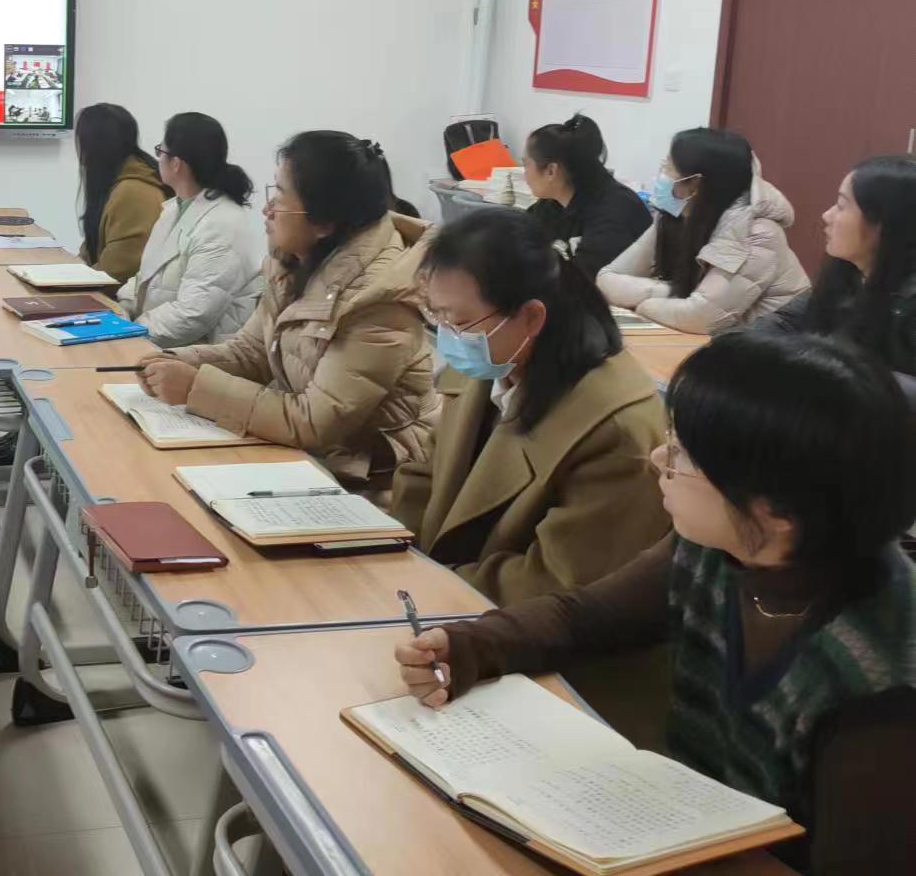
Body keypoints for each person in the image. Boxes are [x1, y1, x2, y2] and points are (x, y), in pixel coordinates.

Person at [394, 331, 916, 875]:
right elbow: (586, 619)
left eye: (684, 455)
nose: (657, 459)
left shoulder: (882, 690)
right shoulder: (727, 548)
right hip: (683, 837)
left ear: (776, 509)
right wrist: (467, 646)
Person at [391, 208, 668, 607]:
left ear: (532, 316)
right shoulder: (489, 363)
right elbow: (424, 478)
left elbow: (557, 581)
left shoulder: (616, 430)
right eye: (438, 317)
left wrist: (429, 587)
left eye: (460, 322)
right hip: (443, 597)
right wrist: (392, 562)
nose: (450, 337)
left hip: (524, 628)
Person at [139, 131, 438, 488]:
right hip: (313, 457)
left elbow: (315, 422)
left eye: (280, 195)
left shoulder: (381, 298)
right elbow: (252, 352)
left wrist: (196, 387)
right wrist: (174, 361)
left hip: (375, 478)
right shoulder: (296, 260)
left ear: (324, 221)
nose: (267, 210)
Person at [598, 128, 808, 333]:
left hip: (775, 344)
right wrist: (670, 292)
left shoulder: (757, 234)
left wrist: (642, 304)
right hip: (718, 340)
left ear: (696, 183)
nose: (662, 173)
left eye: (669, 166)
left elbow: (701, 317)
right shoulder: (675, 214)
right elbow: (606, 278)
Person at [757, 156, 916, 385]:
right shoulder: (848, 273)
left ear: (887, 222)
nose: (827, 215)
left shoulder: (909, 301)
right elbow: (783, 322)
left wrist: (822, 368)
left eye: (841, 206)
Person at [116, 112, 264, 348]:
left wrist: (131, 331)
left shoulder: (222, 224)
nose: (157, 159)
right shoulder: (174, 209)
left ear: (176, 164)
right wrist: (120, 312)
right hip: (154, 339)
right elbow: (144, 278)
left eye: (160, 151)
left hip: (198, 355)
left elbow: (193, 314)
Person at [523, 113, 652, 278]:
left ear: (551, 171)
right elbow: (521, 240)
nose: (524, 174)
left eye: (526, 164)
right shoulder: (552, 204)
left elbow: (587, 282)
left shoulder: (613, 212)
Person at [75, 103, 169, 288]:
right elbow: (89, 252)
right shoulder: (116, 181)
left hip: (120, 298)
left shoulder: (134, 191)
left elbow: (120, 269)